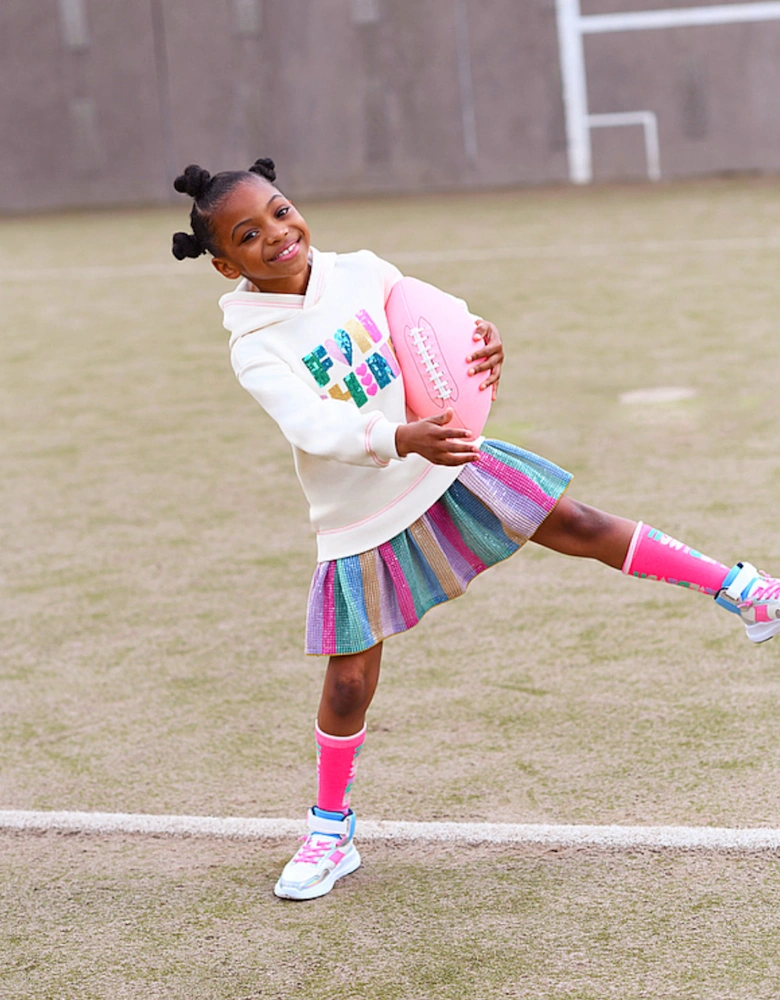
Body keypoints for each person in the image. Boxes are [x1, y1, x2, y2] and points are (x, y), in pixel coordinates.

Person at [171, 158, 780, 901]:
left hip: (446, 460)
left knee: (577, 522)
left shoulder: (361, 270)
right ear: (224, 263)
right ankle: (331, 830)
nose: (279, 233)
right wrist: (399, 437)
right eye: (249, 234)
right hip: (364, 507)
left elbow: (438, 328)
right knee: (349, 680)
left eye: (281, 210)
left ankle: (746, 591)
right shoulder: (254, 344)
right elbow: (312, 423)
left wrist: (484, 344)